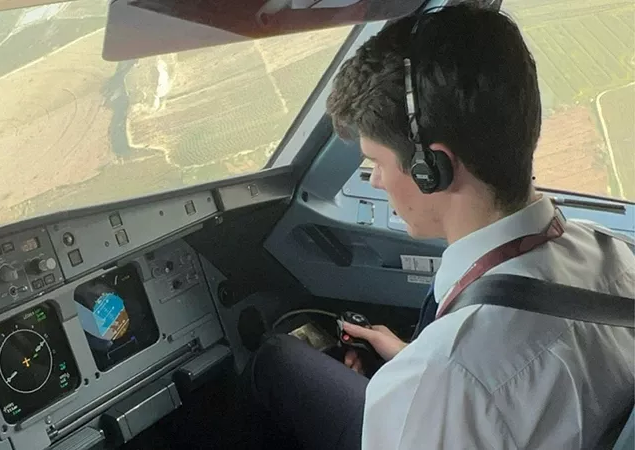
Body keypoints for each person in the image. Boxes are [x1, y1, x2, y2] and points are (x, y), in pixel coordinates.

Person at [249, 4, 635, 449]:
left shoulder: (440, 381)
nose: (374, 179)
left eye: (375, 161)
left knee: (274, 361)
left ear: (432, 168)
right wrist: (414, 358)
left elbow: (473, 384)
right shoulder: (615, 253)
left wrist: (420, 376)